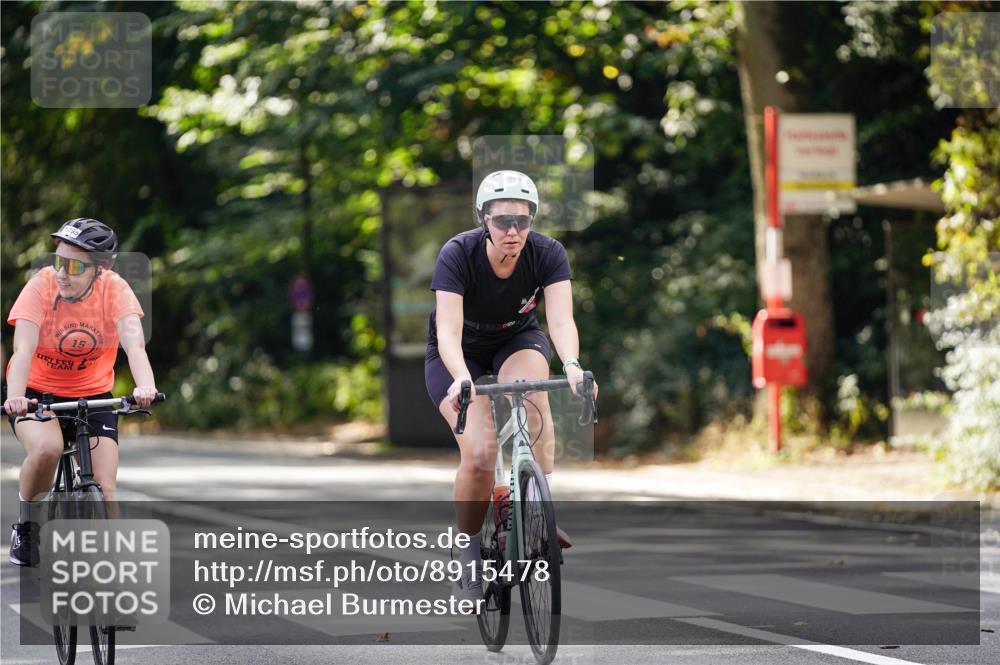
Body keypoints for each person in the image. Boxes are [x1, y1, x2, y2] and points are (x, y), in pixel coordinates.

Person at [424, 170, 598, 606]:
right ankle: (466, 549)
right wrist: (462, 378)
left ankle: (539, 506)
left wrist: (574, 367)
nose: (513, 231)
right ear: (483, 220)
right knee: (481, 453)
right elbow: (447, 330)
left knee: (532, 392)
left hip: (516, 339)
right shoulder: (458, 254)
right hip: (458, 351)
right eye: (502, 221)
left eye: (523, 220)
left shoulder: (548, 253)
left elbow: (560, 320)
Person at [4, 218, 158, 566]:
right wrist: (15, 397)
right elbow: (23, 350)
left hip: (93, 395)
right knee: (47, 448)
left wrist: (145, 386)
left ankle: (113, 577)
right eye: (58, 261)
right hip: (35, 391)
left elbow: (135, 347)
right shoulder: (40, 287)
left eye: (74, 266)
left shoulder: (116, 291)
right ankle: (26, 527)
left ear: (100, 270)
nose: (62, 273)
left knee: (104, 486)